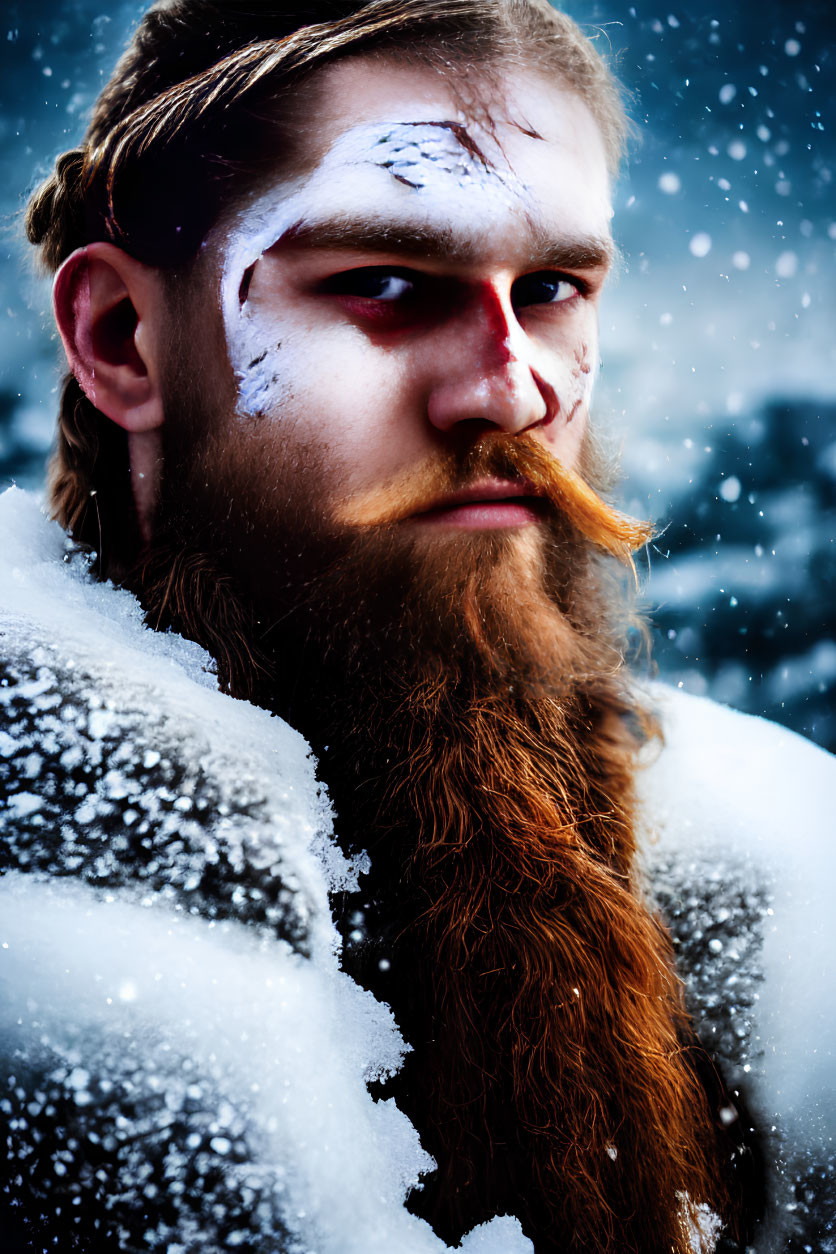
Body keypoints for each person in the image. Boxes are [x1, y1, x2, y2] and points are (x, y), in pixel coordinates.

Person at [1, 1, 833, 1251]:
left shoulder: (773, 887)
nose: (510, 388)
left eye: (550, 287)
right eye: (385, 284)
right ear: (124, 341)